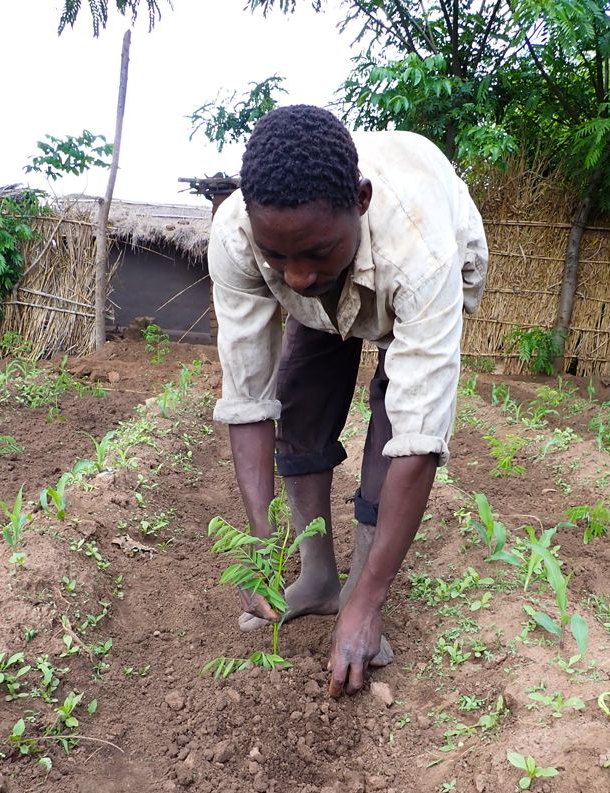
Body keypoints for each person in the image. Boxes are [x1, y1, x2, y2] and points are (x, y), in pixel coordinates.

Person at [208, 104, 488, 697]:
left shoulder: (421, 254)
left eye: (313, 252)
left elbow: (418, 440)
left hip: (408, 274)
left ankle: (360, 591)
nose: (297, 275)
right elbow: (248, 396)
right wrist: (259, 547)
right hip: (353, 265)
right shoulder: (239, 236)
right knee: (300, 399)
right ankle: (316, 579)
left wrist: (370, 601)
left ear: (359, 202)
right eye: (277, 256)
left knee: (391, 427)